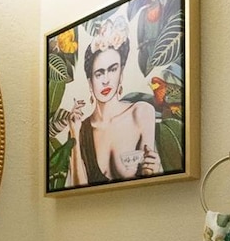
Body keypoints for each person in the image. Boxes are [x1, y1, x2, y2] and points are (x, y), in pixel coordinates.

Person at [66, 17, 161, 187]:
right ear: (90, 82)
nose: (106, 80)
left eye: (113, 69)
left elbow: (150, 179)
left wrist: (154, 169)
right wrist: (74, 133)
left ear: (121, 73)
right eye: (99, 73)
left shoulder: (141, 113)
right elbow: (78, 187)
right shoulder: (81, 129)